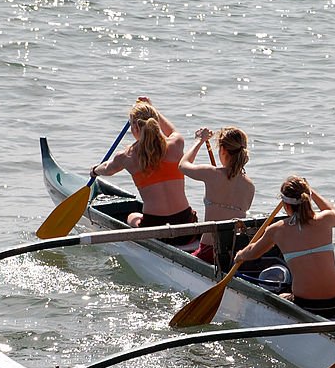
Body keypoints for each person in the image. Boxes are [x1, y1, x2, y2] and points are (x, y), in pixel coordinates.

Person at [233, 176, 335, 318]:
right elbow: (334, 211)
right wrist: (311, 191)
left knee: (282, 295)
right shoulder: (326, 219)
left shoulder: (277, 230)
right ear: (308, 198)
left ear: (286, 205)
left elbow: (253, 253)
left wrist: (240, 255)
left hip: (308, 304)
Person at [90, 97, 198, 247]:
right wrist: (153, 109)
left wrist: (95, 170)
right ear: (155, 122)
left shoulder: (126, 156)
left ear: (134, 127)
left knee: (132, 216)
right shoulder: (176, 144)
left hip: (154, 227)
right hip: (186, 224)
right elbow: (172, 131)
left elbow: (108, 169)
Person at [179, 126, 255, 266]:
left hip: (208, 252)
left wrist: (200, 140)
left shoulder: (211, 173)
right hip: (233, 253)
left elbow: (183, 165)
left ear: (223, 150)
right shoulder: (250, 186)